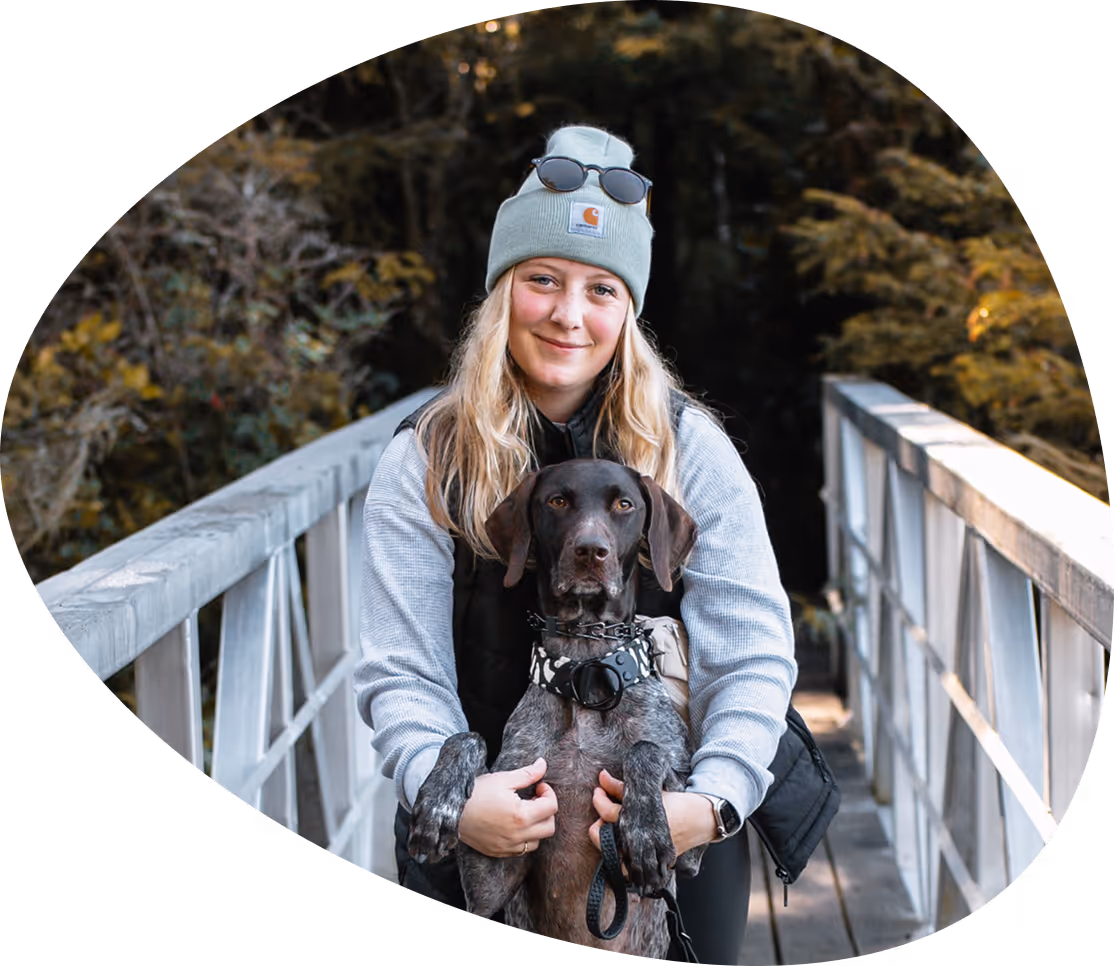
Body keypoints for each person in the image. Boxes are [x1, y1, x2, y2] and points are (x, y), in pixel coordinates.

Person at [354, 124, 798, 963]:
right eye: (544, 280)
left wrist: (713, 802)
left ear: (627, 310)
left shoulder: (690, 447)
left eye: (602, 289)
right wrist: (450, 794)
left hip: (673, 824)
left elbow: (754, 653)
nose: (568, 314)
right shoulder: (424, 458)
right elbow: (399, 668)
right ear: (502, 292)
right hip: (484, 831)